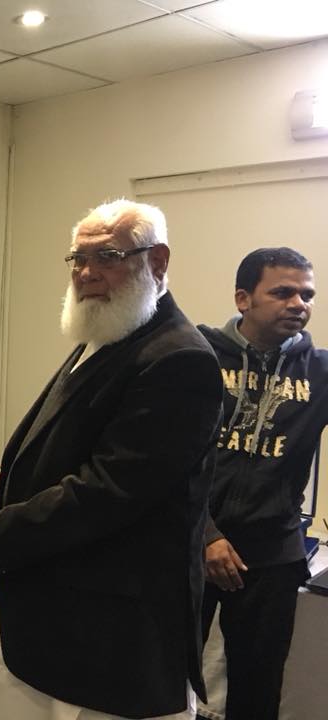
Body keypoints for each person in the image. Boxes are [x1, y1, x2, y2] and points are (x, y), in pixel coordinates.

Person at [0, 200, 223, 719]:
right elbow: (83, 454)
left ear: (157, 261)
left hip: (112, 646)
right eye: (78, 258)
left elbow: (102, 496)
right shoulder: (112, 334)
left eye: (107, 256)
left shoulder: (179, 359)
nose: (86, 274)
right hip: (55, 625)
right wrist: (7, 482)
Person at [198, 247, 323, 720]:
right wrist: (206, 535)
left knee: (259, 688)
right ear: (243, 298)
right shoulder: (196, 356)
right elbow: (164, 458)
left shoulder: (319, 371)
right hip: (190, 541)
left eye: (307, 295)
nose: (298, 304)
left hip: (271, 553)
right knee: (162, 676)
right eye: (283, 292)